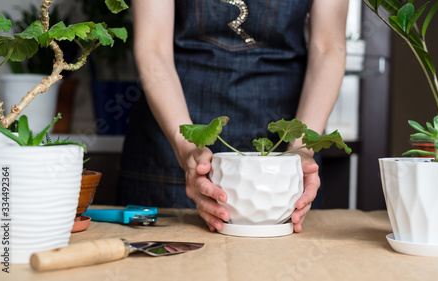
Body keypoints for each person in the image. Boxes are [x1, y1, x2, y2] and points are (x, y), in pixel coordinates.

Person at [117, 0, 348, 233]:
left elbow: (328, 48)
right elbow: (153, 47)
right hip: (171, 129)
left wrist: (301, 150)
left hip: (287, 121)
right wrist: (186, 148)